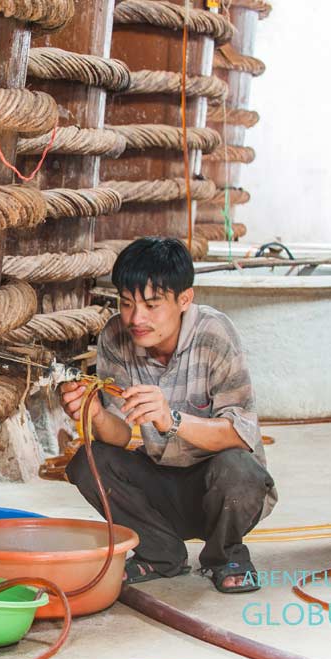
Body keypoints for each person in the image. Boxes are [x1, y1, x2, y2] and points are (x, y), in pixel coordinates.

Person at [60, 237, 277, 593]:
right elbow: (116, 436)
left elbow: (241, 435)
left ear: (184, 300)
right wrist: (96, 414)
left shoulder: (214, 334)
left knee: (240, 470)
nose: (136, 318)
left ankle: (227, 554)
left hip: (218, 490)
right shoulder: (116, 336)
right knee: (89, 461)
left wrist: (171, 420)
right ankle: (159, 553)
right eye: (127, 303)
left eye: (151, 305)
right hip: (161, 482)